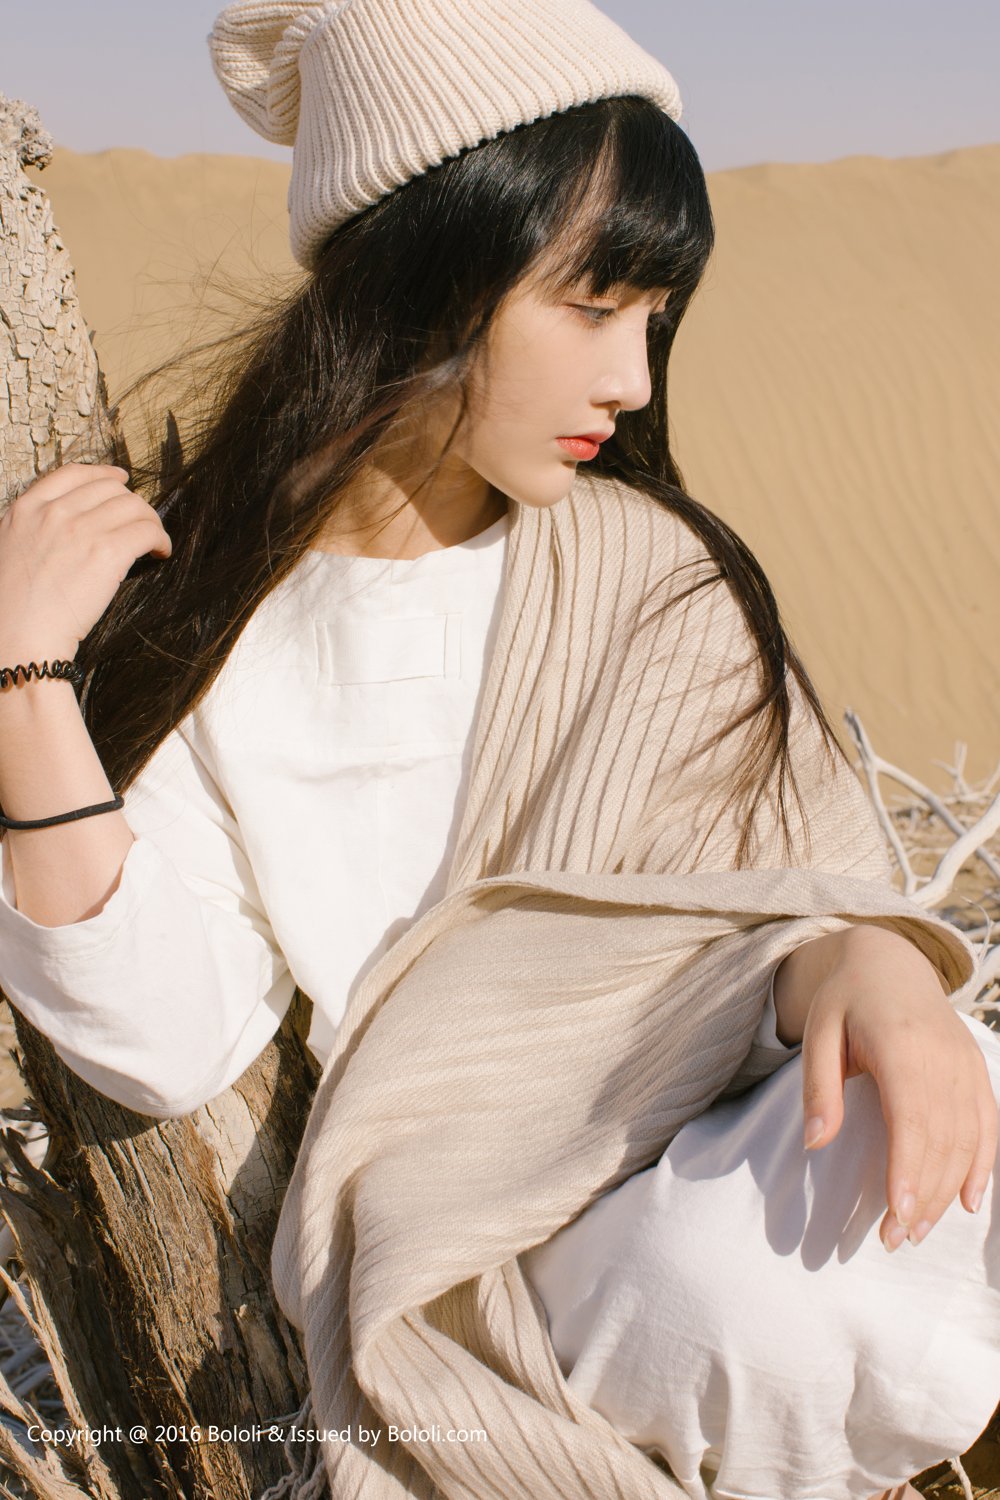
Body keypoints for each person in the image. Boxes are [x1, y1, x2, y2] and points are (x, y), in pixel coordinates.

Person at [0, 2, 996, 1497]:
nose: (635, 381)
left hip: (735, 1134)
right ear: (428, 275)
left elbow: (791, 901)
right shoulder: (220, 629)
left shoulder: (653, 570)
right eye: (591, 309)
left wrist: (866, 964)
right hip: (498, 1254)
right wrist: (25, 684)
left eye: (654, 319)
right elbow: (158, 1039)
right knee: (728, 1288)